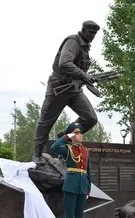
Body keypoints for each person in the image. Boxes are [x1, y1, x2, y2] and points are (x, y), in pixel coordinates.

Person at [34, 20, 100, 165]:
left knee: (90, 119)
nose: (93, 35)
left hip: (74, 90)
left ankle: (65, 136)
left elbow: (78, 71)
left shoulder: (85, 47)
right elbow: (64, 63)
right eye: (90, 32)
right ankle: (37, 154)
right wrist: (84, 75)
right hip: (59, 88)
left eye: (95, 33)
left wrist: (88, 78)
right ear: (83, 30)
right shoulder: (73, 42)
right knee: (46, 121)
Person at [51, 122, 91, 218]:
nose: (80, 136)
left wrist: (88, 187)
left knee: (79, 217)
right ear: (72, 136)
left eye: (80, 133)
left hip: (82, 186)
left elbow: (88, 171)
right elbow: (54, 146)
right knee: (70, 217)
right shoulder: (67, 149)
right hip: (71, 186)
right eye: (77, 134)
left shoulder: (85, 151)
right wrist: (66, 137)